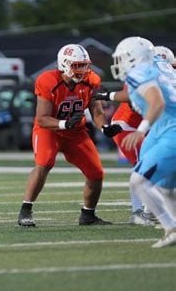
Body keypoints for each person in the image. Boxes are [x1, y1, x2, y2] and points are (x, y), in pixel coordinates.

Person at [17, 44, 122, 227]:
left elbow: (96, 112)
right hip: (50, 130)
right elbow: (42, 119)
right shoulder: (48, 80)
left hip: (76, 132)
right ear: (64, 64)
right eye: (77, 65)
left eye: (84, 65)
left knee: (96, 173)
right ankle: (25, 211)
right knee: (44, 164)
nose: (82, 70)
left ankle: (88, 215)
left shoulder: (92, 80)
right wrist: (64, 124)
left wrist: (105, 127)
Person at [92, 45, 176, 225]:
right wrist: (108, 95)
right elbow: (132, 97)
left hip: (149, 127)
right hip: (127, 126)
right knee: (144, 167)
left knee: (154, 168)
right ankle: (139, 212)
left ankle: (151, 211)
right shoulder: (144, 73)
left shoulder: (161, 74)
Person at [110, 36, 176, 248]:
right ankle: (172, 228)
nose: (119, 63)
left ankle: (171, 227)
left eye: (122, 58)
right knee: (164, 188)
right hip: (161, 129)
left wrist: (140, 130)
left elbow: (158, 102)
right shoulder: (162, 67)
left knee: (139, 181)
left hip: (169, 129)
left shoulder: (140, 71)